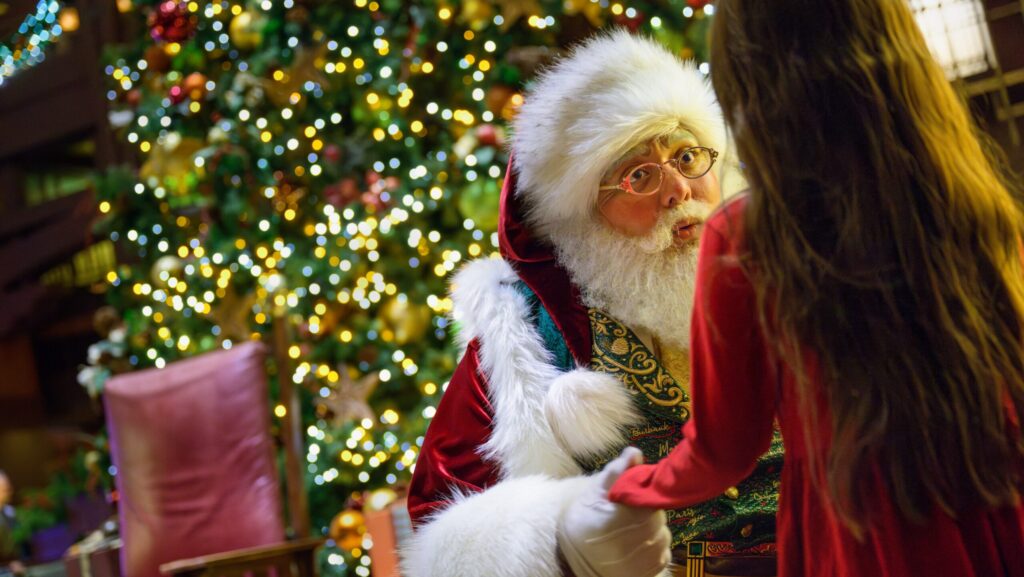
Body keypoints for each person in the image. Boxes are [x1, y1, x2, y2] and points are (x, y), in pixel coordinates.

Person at [609, 1, 1024, 576]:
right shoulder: (958, 189)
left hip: (867, 528)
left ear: (751, 84)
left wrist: (623, 488)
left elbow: (723, 451)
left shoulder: (747, 236)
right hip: (998, 491)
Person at [404, 31, 782, 577]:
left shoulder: (786, 282)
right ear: (584, 213)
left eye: (686, 156)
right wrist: (560, 535)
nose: (678, 189)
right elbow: (440, 527)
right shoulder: (528, 342)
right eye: (639, 175)